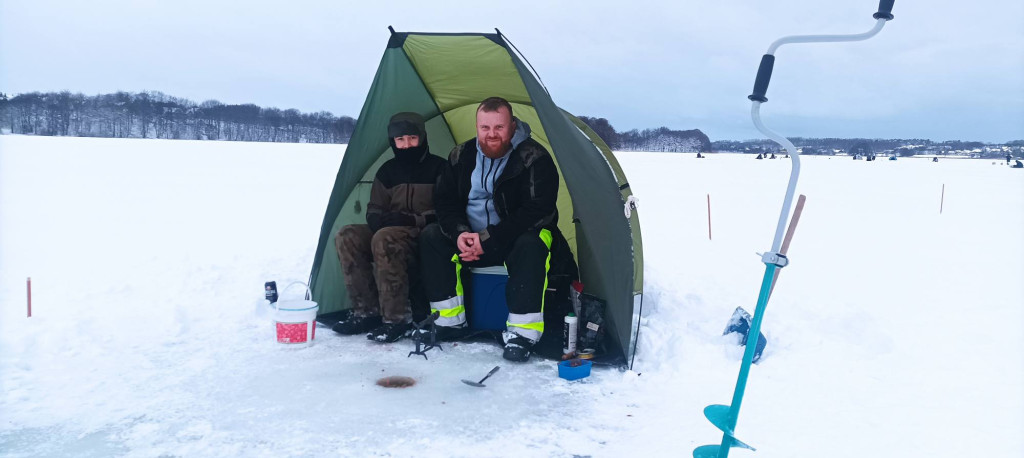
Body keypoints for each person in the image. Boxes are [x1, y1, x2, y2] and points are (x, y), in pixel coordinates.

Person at [419, 97, 567, 362]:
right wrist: (461, 234)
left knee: (533, 243)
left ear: (512, 126)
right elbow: (445, 202)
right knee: (432, 237)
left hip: (515, 236)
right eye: (485, 128)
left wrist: (488, 240)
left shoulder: (535, 158)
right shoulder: (460, 155)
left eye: (499, 127)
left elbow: (538, 210)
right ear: (477, 127)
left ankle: (523, 334)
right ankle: (448, 323)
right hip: (471, 237)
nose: (491, 135)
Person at [331, 112, 446, 343]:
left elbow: (447, 211)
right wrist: (378, 221)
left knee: (384, 238)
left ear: (422, 138)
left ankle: (396, 319)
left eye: (412, 138)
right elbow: (374, 208)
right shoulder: (387, 171)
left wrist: (413, 220)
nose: (406, 145)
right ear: (392, 141)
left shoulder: (439, 168)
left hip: (423, 234)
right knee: (347, 235)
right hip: (388, 231)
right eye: (400, 140)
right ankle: (367, 312)